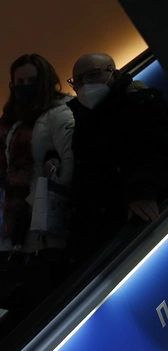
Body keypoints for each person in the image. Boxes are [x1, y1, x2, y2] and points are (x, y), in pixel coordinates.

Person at [0, 54, 74, 310]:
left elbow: (71, 163)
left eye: (31, 81)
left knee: (51, 291)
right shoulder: (12, 119)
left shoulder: (61, 113)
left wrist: (53, 175)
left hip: (49, 219)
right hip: (17, 221)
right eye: (19, 82)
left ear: (45, 80)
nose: (24, 87)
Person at [64, 52, 168, 270]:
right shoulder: (80, 121)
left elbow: (157, 151)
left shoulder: (143, 104)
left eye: (93, 74)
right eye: (78, 80)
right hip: (102, 232)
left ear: (116, 74)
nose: (85, 84)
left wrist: (141, 190)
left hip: (141, 217)